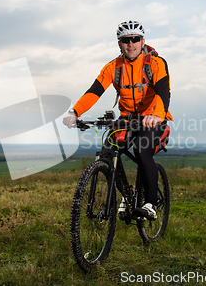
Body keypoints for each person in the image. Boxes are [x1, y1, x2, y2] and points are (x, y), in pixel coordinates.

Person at [63, 20, 173, 220]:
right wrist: (75, 111)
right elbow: (94, 91)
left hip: (153, 118)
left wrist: (156, 114)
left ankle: (151, 203)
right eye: (125, 40)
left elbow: (163, 91)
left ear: (142, 41)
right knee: (107, 152)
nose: (131, 44)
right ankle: (128, 195)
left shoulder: (156, 63)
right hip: (127, 119)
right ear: (119, 43)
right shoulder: (113, 67)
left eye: (135, 39)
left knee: (141, 149)